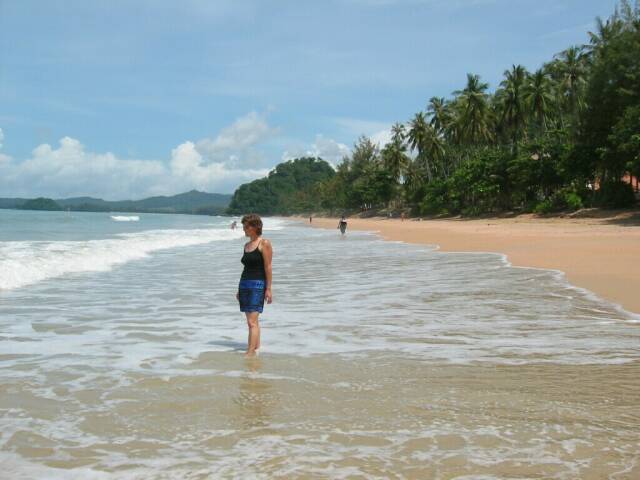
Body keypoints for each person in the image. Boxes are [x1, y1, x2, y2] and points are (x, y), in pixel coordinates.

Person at [236, 214, 273, 357]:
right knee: (251, 321)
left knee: (252, 321)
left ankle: (250, 352)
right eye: (244, 226)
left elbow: (268, 267)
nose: (244, 229)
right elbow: (245, 269)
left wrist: (268, 289)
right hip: (245, 284)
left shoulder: (264, 243)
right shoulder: (246, 246)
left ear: (255, 227)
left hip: (258, 284)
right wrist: (239, 289)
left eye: (246, 226)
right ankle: (256, 347)